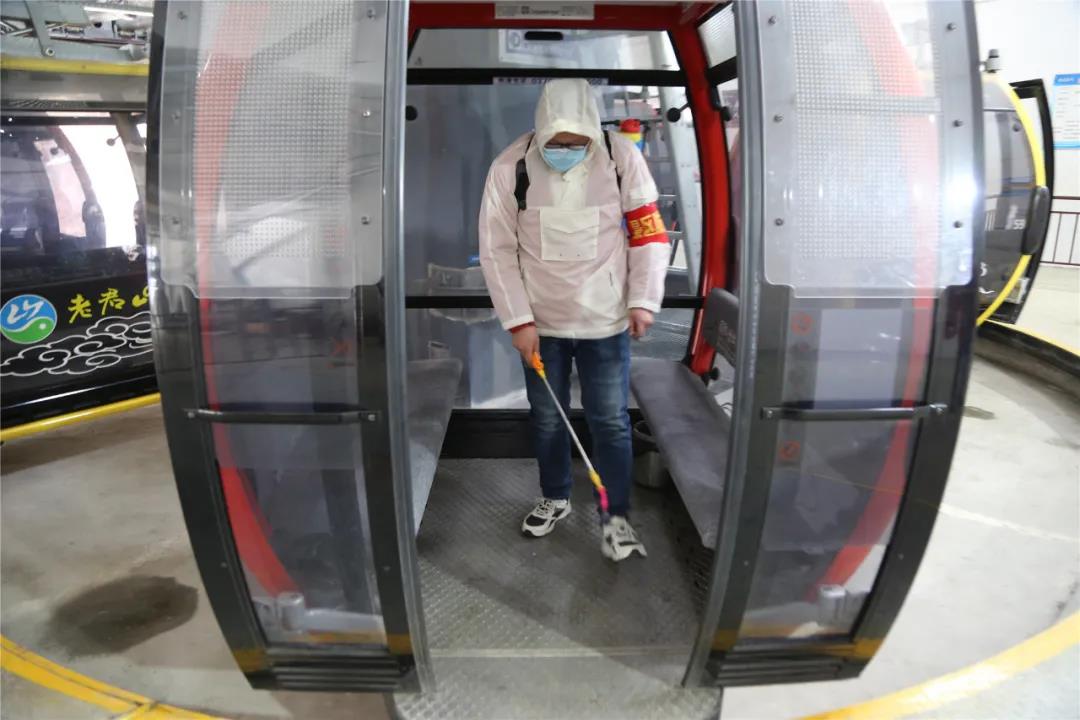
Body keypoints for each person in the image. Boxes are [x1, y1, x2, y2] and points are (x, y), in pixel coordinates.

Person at [478, 79, 670, 562]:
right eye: (556, 142)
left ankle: (616, 515)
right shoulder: (510, 167)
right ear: (540, 130)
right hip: (540, 325)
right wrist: (518, 320)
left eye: (576, 141)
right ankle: (555, 496)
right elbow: (496, 250)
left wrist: (643, 300)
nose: (565, 150)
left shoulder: (621, 158)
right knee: (547, 418)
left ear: (591, 129)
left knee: (611, 421)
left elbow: (648, 234)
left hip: (605, 322)